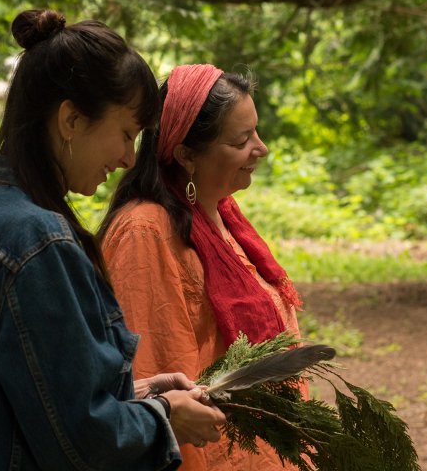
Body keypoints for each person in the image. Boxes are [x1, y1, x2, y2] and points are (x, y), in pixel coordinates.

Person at [0, 11, 225, 471]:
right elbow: (83, 441)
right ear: (71, 119)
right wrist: (166, 416)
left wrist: (141, 394)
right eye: (127, 133)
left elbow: (8, 402)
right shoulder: (39, 242)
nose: (130, 158)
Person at [99, 64, 306, 470]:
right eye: (242, 139)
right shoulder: (146, 231)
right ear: (187, 155)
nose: (261, 148)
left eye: (256, 132)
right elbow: (156, 377)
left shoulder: (223, 216)